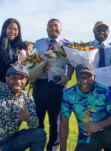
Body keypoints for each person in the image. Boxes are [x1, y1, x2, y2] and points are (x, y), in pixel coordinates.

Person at [59, 63, 111, 151]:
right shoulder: (69, 94)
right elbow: (64, 122)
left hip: (108, 132)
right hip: (87, 136)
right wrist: (62, 149)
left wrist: (99, 125)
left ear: (94, 77)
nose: (84, 81)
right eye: (81, 77)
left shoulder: (104, 90)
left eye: (88, 77)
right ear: (76, 78)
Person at [33, 19, 74, 151]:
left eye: (56, 26)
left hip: (58, 84)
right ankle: (37, 147)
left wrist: (68, 77)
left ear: (61, 29)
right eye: (50, 26)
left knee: (55, 120)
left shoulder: (68, 44)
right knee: (38, 118)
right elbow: (31, 60)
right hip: (40, 84)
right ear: (47, 29)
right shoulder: (39, 43)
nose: (53, 28)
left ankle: (52, 148)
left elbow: (73, 63)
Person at [0, 18, 28, 90]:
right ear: (4, 30)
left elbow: (27, 65)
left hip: (19, 85)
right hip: (2, 84)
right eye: (10, 28)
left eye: (15, 29)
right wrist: (15, 66)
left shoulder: (22, 46)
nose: (12, 31)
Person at [91, 21, 111, 95]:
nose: (102, 32)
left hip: (109, 88)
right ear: (93, 31)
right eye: (99, 30)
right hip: (91, 87)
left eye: (104, 30)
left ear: (108, 31)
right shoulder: (86, 48)